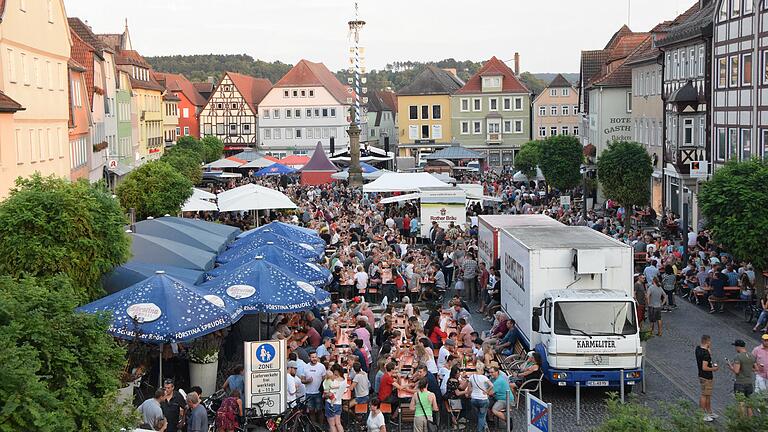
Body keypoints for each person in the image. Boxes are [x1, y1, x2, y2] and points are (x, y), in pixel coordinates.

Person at [727, 339, 756, 416]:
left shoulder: (738, 357)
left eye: (735, 347)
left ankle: (742, 421)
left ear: (738, 347)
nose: (735, 349)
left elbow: (736, 371)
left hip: (740, 383)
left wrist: (730, 366)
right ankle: (750, 420)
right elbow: (756, 368)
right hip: (749, 382)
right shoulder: (751, 356)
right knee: (749, 402)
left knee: (741, 402)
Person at [696, 335, 719, 422]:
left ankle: (709, 412)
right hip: (706, 376)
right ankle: (702, 414)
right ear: (708, 341)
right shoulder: (705, 354)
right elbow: (704, 367)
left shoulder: (698, 349)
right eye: (710, 341)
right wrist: (714, 369)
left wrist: (708, 350)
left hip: (702, 375)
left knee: (708, 394)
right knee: (704, 395)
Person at [468, 365, 493, 432]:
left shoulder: (471, 377)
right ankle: (480, 430)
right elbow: (491, 385)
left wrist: (469, 395)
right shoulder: (484, 377)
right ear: (482, 370)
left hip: (474, 400)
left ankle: (485, 426)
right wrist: (487, 391)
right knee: (481, 416)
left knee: (480, 415)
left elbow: (469, 389)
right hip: (483, 400)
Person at [304, 352, 327, 424]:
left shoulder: (321, 366)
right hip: (309, 393)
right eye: (312, 357)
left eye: (315, 357)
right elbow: (302, 380)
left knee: (320, 410)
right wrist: (307, 381)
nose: (314, 359)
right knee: (311, 411)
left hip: (318, 393)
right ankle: (314, 427)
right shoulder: (305, 366)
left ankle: (321, 427)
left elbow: (324, 379)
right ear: (309, 358)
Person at [325, 364, 347, 432]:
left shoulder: (332, 381)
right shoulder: (344, 380)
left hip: (330, 403)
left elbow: (327, 392)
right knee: (338, 423)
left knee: (332, 425)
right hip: (338, 403)